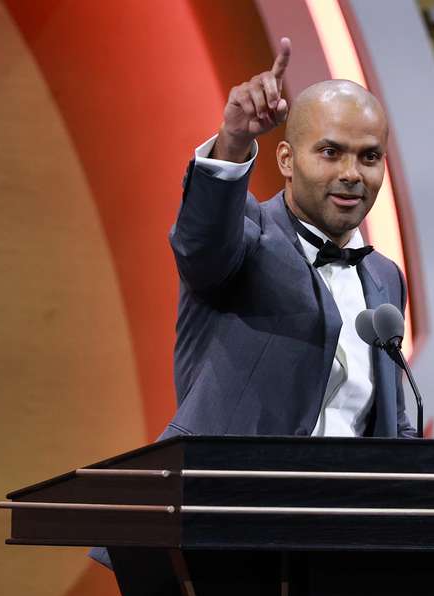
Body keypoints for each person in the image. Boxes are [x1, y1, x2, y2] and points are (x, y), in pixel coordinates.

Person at [165, 36, 415, 440]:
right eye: (331, 152)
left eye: (369, 156)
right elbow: (200, 243)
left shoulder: (385, 277)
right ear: (286, 159)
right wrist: (233, 141)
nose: (352, 173)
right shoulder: (245, 237)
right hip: (231, 497)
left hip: (343, 502)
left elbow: (391, 423)